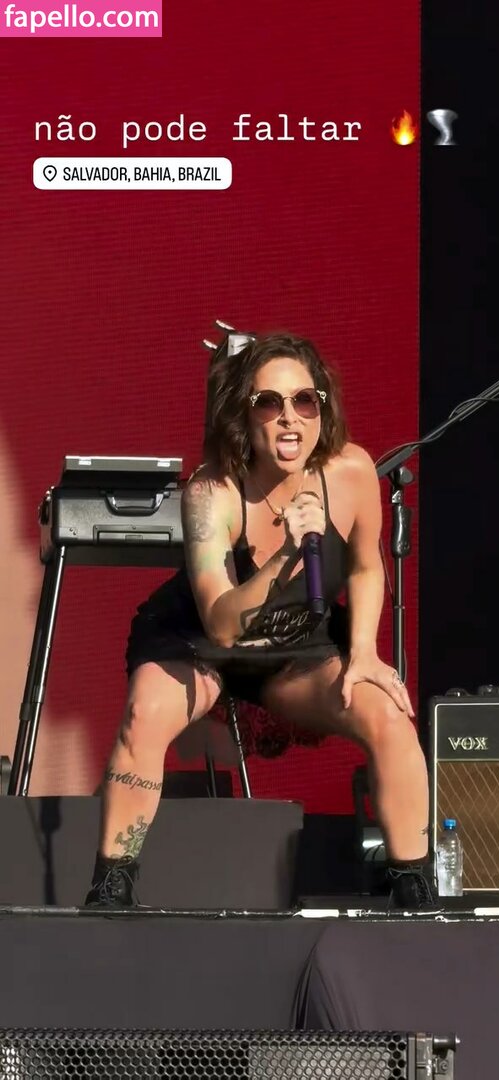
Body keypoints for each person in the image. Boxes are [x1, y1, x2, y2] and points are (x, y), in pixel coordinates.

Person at [85, 332, 436, 909]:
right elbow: (222, 624)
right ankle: (112, 883)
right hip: (199, 638)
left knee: (390, 715)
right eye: (269, 403)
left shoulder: (351, 470)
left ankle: (414, 888)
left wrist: (365, 653)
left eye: (305, 400)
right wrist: (285, 556)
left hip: (293, 639)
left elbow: (366, 566)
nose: (290, 417)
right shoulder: (212, 490)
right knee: (146, 713)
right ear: (243, 417)